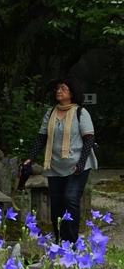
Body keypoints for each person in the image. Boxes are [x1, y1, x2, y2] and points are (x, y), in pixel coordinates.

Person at [22, 76, 96, 244]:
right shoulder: (50, 113)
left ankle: (71, 243)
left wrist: (81, 163)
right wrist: (30, 159)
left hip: (77, 165)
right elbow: (41, 138)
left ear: (72, 92)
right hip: (55, 165)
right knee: (56, 206)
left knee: (70, 198)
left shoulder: (80, 113)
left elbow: (89, 139)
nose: (59, 91)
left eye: (63, 88)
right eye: (57, 88)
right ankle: (60, 242)